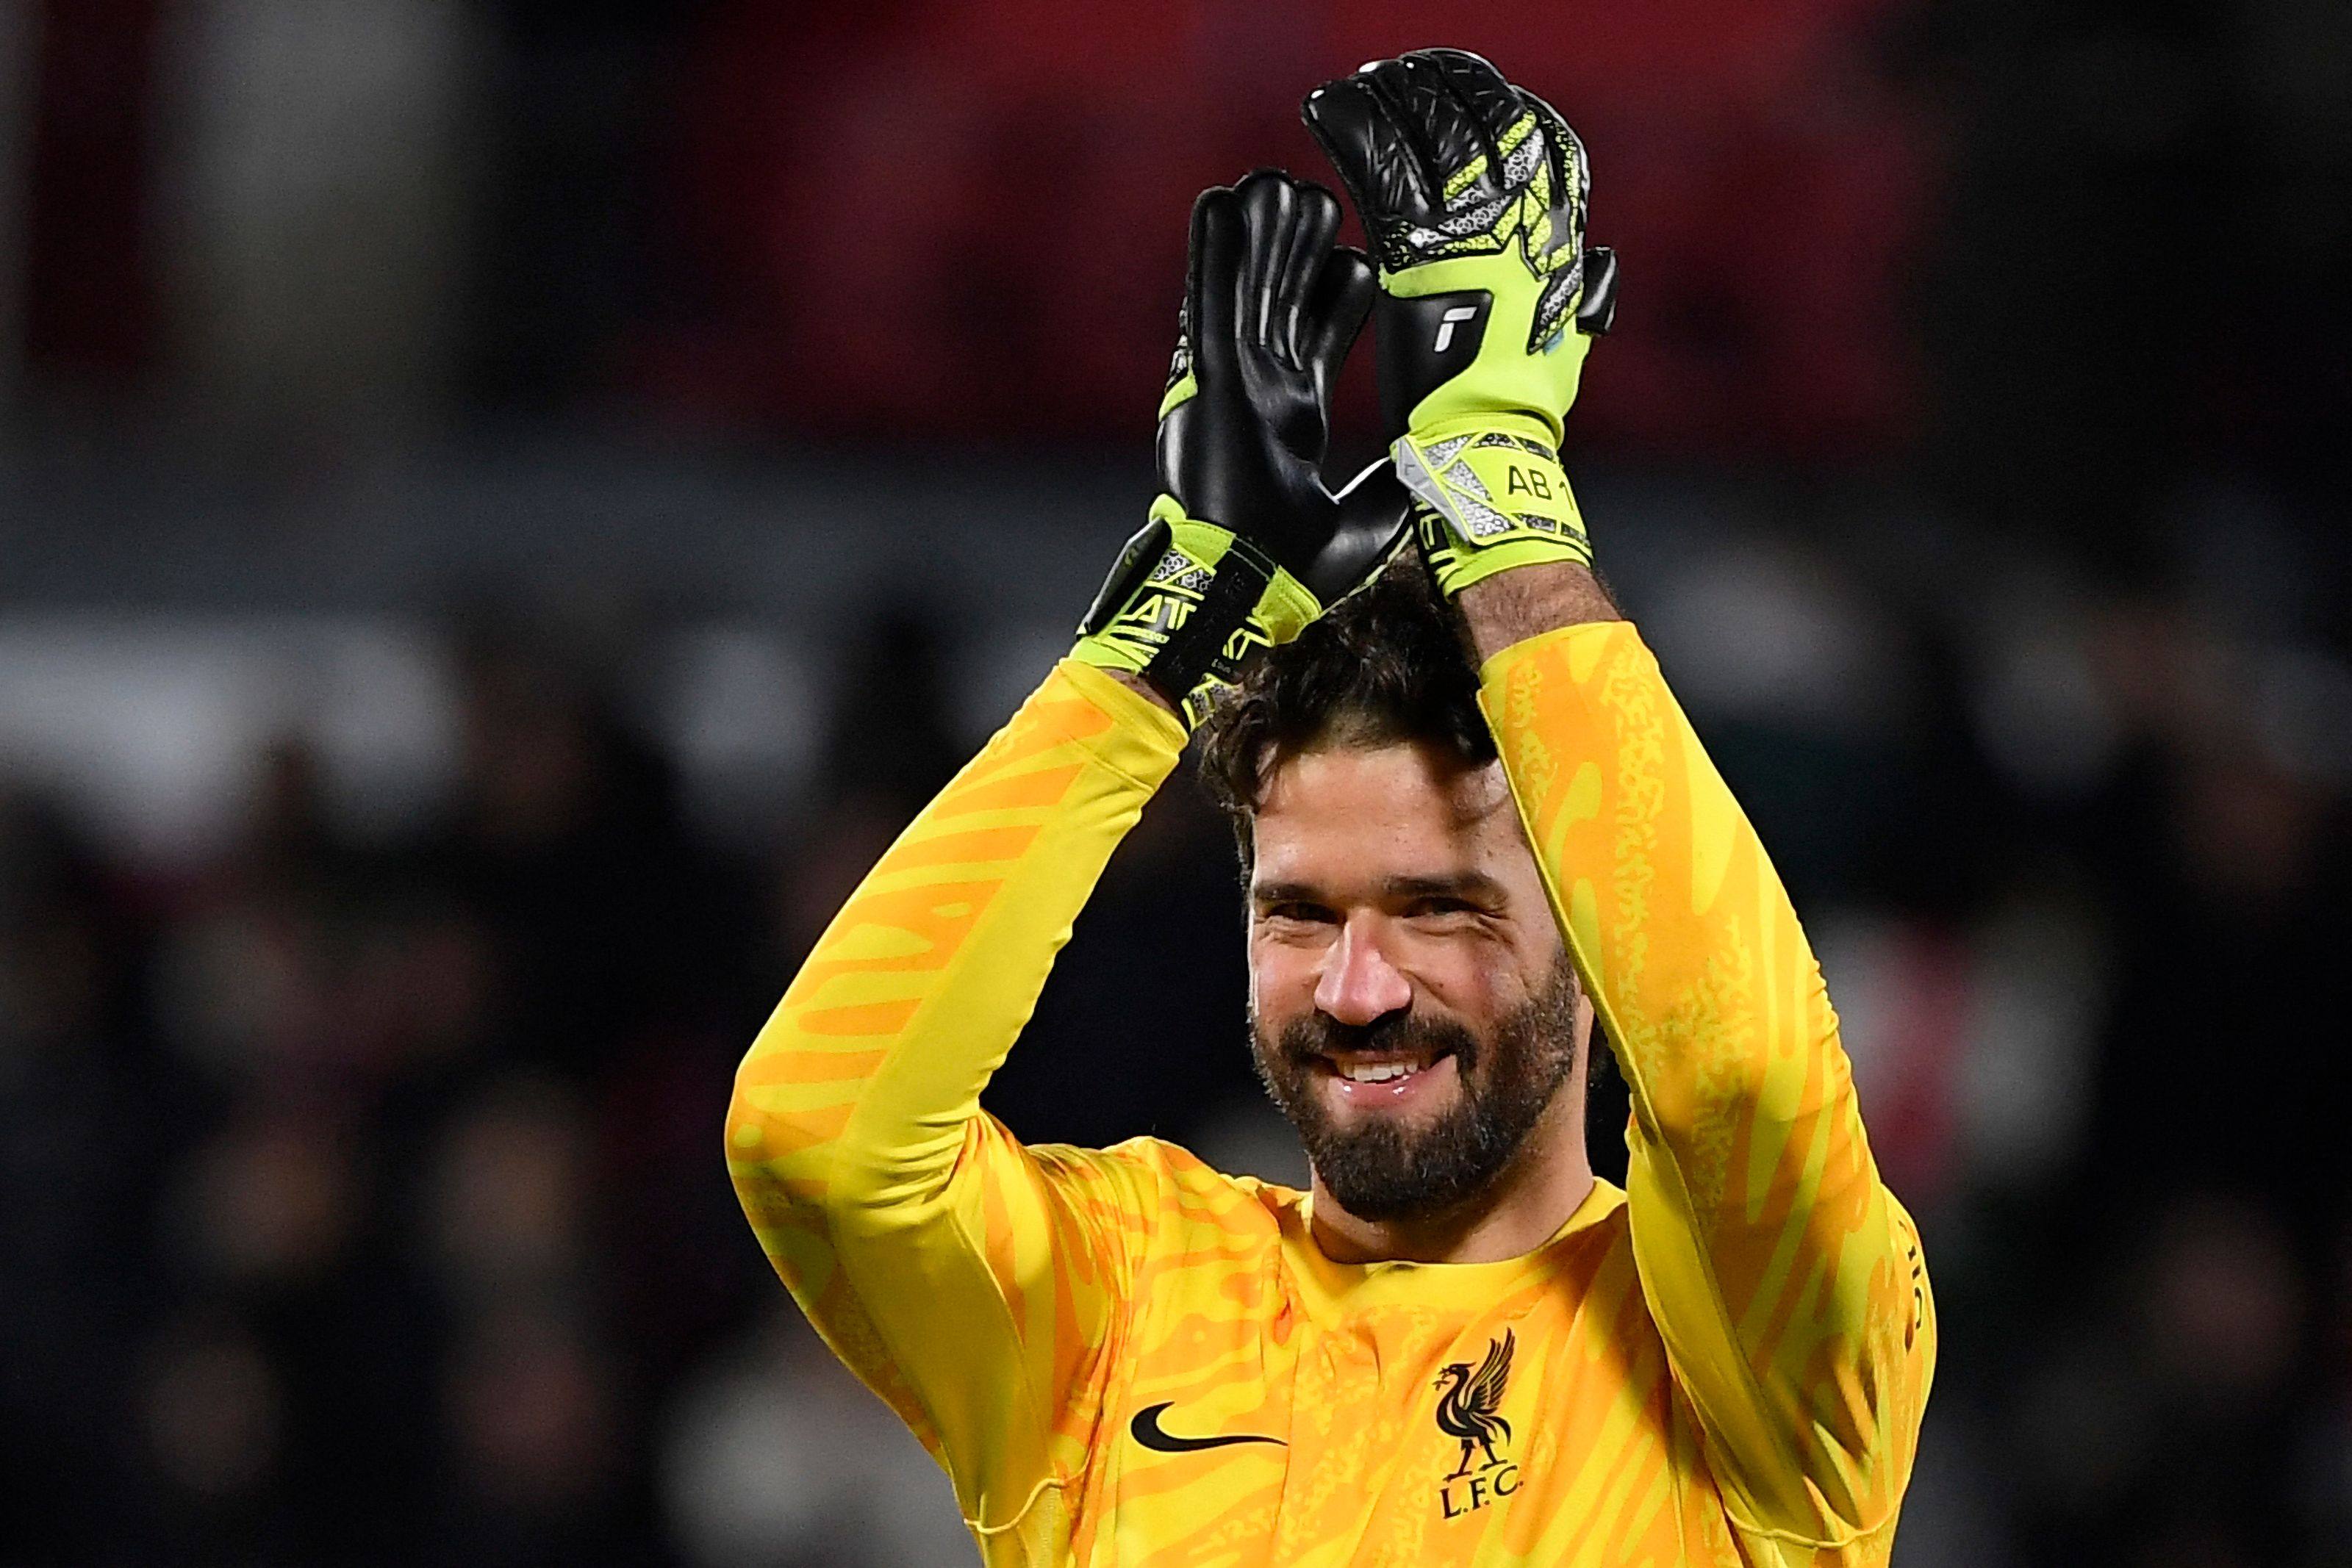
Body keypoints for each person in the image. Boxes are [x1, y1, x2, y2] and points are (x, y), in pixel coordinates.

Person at [726, 49, 1935, 1566]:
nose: (1357, 989)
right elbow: (816, 1138)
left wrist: (1496, 491)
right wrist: (1158, 644)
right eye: (1299, 911)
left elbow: (1742, 1086)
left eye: (1440, 904)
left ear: (1588, 919)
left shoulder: (1747, 1362)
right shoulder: (1119, 1296)